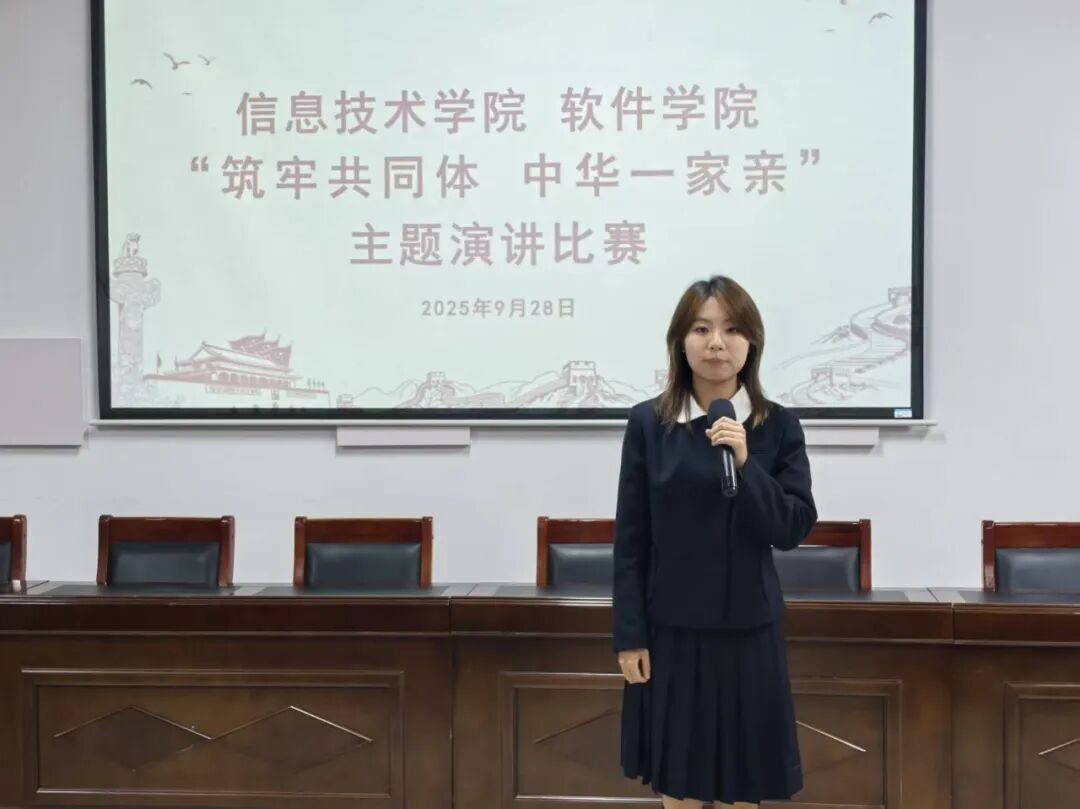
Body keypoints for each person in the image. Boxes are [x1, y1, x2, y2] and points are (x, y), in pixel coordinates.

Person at [613, 275, 816, 808]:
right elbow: (631, 540)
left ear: (752, 342)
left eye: (731, 329)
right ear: (681, 342)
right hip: (673, 634)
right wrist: (629, 636)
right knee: (678, 786)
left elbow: (792, 528)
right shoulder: (649, 424)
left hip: (749, 632)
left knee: (743, 788)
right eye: (701, 329)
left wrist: (747, 464)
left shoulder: (778, 426)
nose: (717, 343)